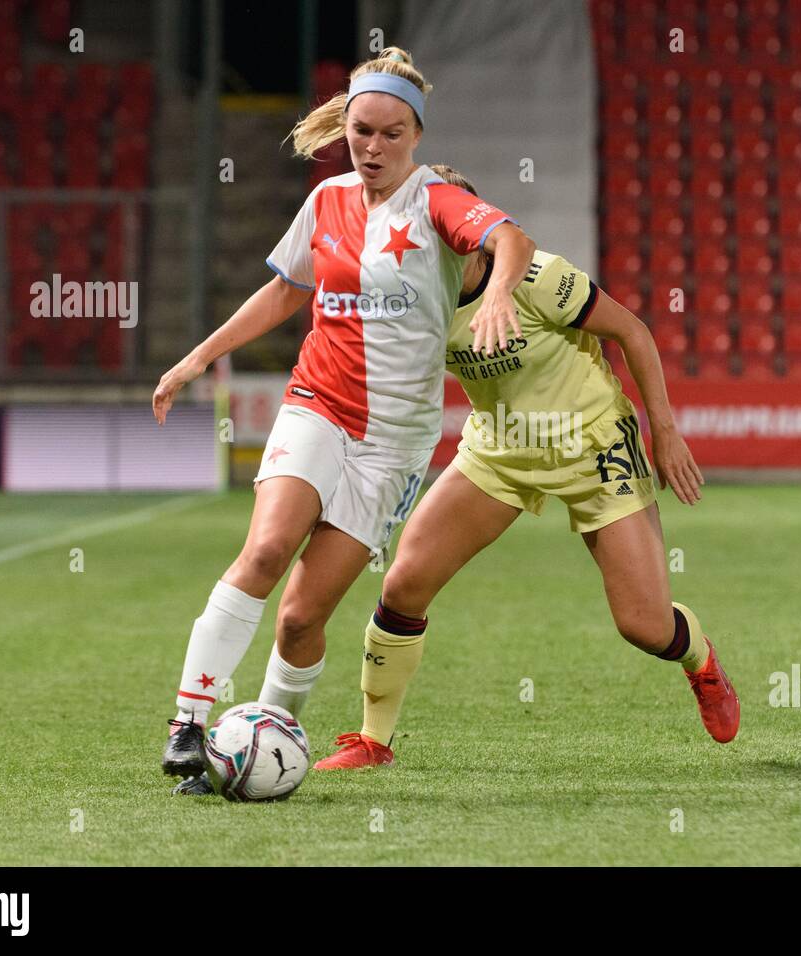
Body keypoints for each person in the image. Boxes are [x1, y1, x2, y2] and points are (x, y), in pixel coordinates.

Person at [152, 52, 535, 793]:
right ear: (345, 129)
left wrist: (498, 295)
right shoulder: (326, 201)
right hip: (318, 406)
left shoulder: (435, 203)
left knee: (301, 618)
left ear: (415, 135)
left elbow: (509, 238)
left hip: (394, 443)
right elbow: (283, 293)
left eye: (392, 133)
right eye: (362, 131)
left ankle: (259, 748)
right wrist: (197, 359)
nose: (374, 147)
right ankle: (189, 723)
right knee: (265, 549)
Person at [280, 164, 739, 770]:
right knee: (404, 584)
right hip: (497, 451)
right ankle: (373, 740)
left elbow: (632, 331)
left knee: (645, 626)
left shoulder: (539, 278)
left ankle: (700, 661)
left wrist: (665, 430)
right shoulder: (414, 303)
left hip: (594, 445)